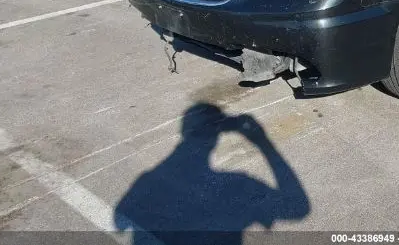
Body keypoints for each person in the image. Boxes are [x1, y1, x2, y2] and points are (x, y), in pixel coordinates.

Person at [115, 103, 310, 245]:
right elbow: (298, 208)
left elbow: (119, 221)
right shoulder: (236, 184)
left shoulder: (146, 182)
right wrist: (263, 143)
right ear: (216, 138)